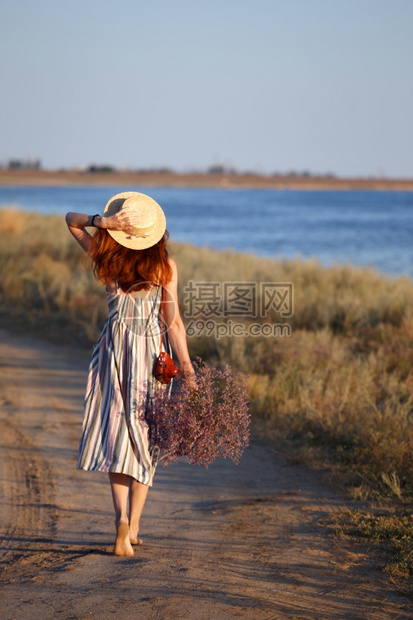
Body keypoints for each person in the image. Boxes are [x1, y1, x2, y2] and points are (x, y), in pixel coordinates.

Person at [66, 191, 195, 557]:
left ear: (122, 230)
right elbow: (174, 324)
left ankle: (121, 520)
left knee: (116, 433)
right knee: (146, 434)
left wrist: (101, 222)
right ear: (155, 234)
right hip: (151, 357)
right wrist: (187, 369)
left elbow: (69, 219)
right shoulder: (164, 267)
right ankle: (135, 525)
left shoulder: (106, 258)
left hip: (112, 354)